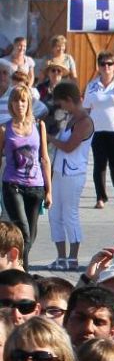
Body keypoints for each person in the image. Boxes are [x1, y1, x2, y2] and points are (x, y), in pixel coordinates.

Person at [45, 80, 90, 271]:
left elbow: (70, 146)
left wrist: (49, 139)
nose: (60, 107)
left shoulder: (85, 121)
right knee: (55, 214)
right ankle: (61, 256)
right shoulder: (71, 118)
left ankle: (73, 257)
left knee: (70, 214)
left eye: (61, 103)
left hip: (73, 174)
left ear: (69, 100)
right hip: (60, 172)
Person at [82, 52, 114, 213]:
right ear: (98, 66)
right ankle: (100, 197)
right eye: (103, 64)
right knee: (99, 164)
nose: (106, 67)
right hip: (97, 130)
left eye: (110, 64)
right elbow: (86, 108)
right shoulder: (92, 85)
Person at [2, 83, 48, 257]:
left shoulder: (39, 125)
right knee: (23, 233)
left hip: (36, 187)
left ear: (28, 103)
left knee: (31, 237)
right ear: (11, 104)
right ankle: (23, 276)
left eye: (23, 101)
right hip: (13, 185)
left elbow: (44, 158)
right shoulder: (4, 128)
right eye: (16, 101)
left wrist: (48, 190)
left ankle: (13, 268)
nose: (19, 104)